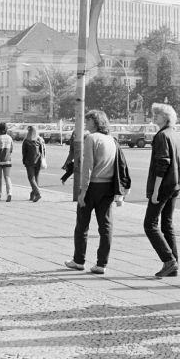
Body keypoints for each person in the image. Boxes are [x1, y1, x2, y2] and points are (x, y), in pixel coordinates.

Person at [65, 110, 122, 274]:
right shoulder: (112, 140)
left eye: (88, 121)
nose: (85, 124)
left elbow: (88, 167)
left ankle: (78, 260)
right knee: (105, 226)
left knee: (82, 224)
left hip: (93, 186)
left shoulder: (91, 138)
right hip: (108, 186)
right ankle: (101, 263)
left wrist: (82, 191)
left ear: (95, 122)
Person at [144, 103, 180, 277]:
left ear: (166, 117)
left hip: (163, 185)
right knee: (167, 224)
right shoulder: (176, 135)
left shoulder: (162, 136)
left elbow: (163, 163)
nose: (154, 116)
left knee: (150, 224)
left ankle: (169, 260)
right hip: (175, 184)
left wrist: (155, 190)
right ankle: (173, 263)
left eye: (158, 114)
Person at [21, 126, 46, 202]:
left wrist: (24, 161)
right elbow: (43, 151)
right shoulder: (40, 140)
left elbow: (24, 153)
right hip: (38, 161)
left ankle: (37, 194)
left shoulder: (26, 141)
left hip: (29, 162)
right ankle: (33, 195)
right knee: (36, 178)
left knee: (31, 178)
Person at [0, 122, 14, 202]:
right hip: (7, 160)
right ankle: (9, 193)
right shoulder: (9, 138)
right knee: (7, 177)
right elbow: (11, 149)